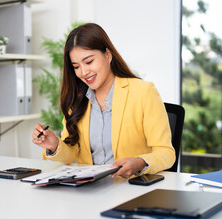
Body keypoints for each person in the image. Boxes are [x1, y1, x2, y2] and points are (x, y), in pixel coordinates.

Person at [32, 23, 175, 179]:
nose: (84, 72)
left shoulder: (143, 92)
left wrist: (139, 163)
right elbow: (72, 152)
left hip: (130, 188)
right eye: (76, 66)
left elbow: (166, 152)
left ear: (108, 54)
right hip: (89, 189)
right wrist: (54, 145)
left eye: (89, 62)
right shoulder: (78, 99)